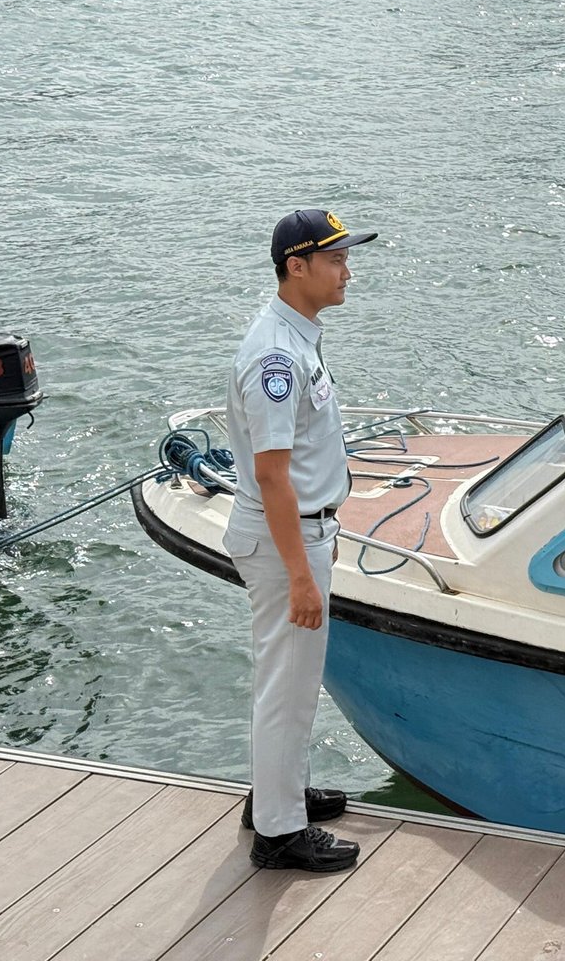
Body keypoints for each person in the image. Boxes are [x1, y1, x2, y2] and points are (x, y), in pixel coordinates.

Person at [224, 209, 377, 873]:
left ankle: (277, 794)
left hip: (304, 530)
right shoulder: (277, 356)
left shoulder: (295, 337)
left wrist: (323, 533)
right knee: (287, 685)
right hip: (285, 536)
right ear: (297, 266)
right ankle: (278, 833)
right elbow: (271, 473)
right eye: (337, 259)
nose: (348, 270)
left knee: (289, 680)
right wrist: (301, 573)